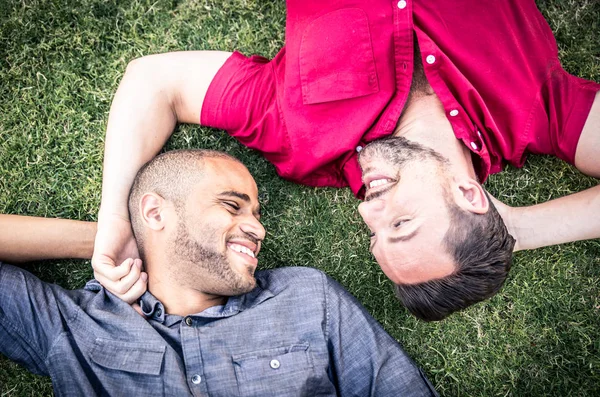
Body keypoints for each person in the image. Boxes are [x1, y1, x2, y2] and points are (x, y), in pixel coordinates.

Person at [92, 0, 599, 320]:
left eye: (372, 236)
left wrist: (114, 217)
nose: (367, 213)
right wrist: (515, 230)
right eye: (400, 222)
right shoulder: (538, 110)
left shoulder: (301, 139)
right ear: (469, 194)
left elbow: (153, 82)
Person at [0, 149, 438, 396]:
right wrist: (105, 239)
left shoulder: (307, 298)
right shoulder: (79, 326)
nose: (259, 228)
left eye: (257, 212)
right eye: (232, 206)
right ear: (156, 212)